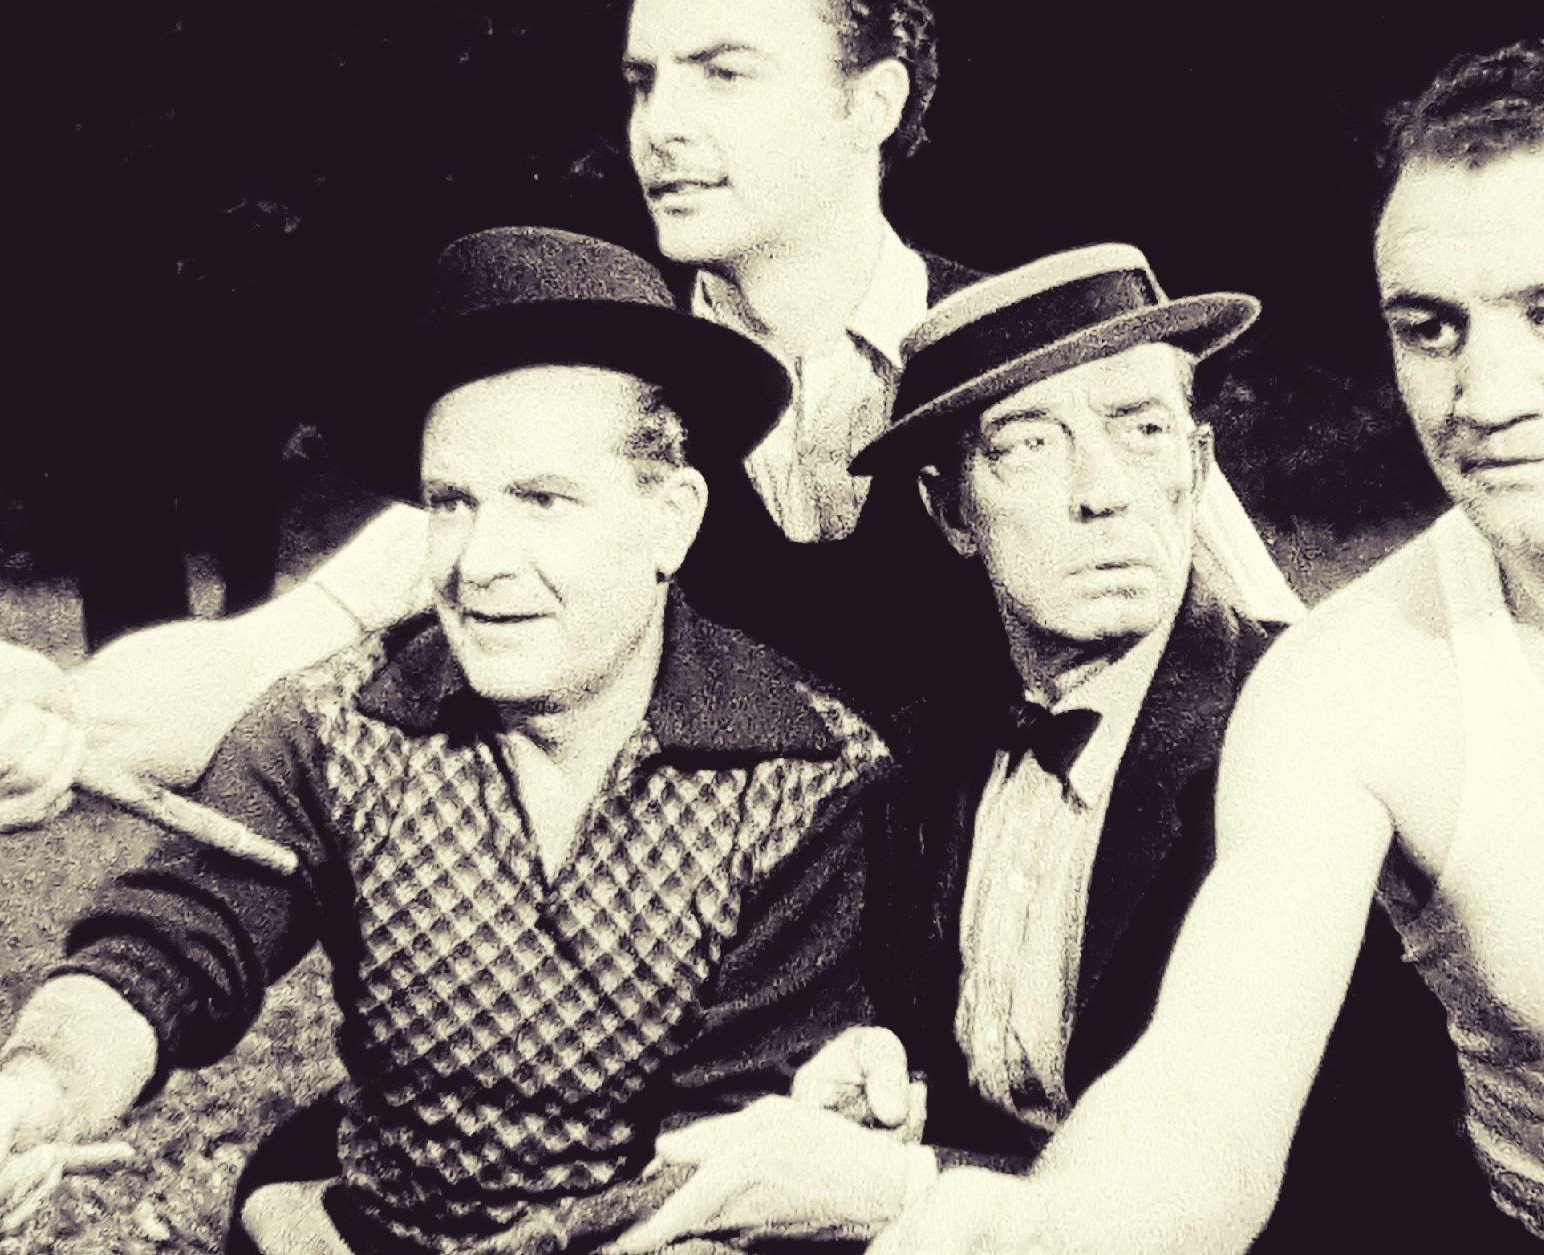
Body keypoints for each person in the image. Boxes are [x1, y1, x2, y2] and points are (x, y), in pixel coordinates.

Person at [869, 31, 1544, 1255]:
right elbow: (1202, 1101)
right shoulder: (1348, 681)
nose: (1484, 395)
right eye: (1431, 327)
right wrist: (1038, 1229)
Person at [0, 0, 1302, 830]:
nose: (659, 126)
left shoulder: (1036, 359)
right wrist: (57, 714)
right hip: (711, 1024)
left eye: (723, 71)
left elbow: (1284, 668)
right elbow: (278, 645)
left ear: (871, 101)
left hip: (996, 1007)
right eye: (643, 80)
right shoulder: (589, 391)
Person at [0, 227, 914, 1255]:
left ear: (671, 519)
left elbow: (721, 1168)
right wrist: (34, 1095)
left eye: (543, 500)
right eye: (450, 503)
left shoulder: (807, 776)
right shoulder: (334, 723)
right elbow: (169, 943)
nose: (480, 559)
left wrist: (288, 1221)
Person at [605, 246, 1481, 1253]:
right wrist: (890, 1083)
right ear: (949, 510)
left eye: (1141, 429)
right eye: (1027, 445)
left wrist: (904, 1183)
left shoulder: (1316, 724)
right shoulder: (920, 763)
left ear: (1197, 467)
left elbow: (1352, 1180)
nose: (1101, 491)